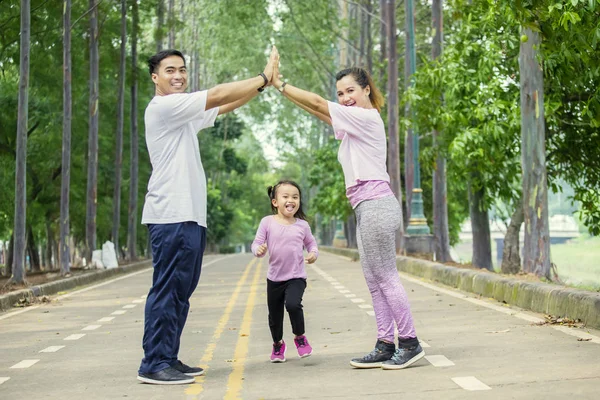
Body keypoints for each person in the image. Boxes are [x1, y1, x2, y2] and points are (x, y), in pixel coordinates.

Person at [137, 46, 279, 385]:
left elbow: (223, 104)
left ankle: (167, 357)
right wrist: (262, 76)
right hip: (171, 214)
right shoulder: (164, 106)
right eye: (170, 70)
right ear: (155, 77)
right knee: (167, 290)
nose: (179, 75)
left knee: (180, 293)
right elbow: (215, 94)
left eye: (182, 69)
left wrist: (261, 87)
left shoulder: (181, 112)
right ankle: (154, 363)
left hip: (188, 216)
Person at [270, 64, 425, 370]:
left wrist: (281, 85)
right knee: (374, 280)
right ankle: (385, 344)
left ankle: (409, 342)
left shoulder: (366, 117)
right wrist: (283, 92)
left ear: (367, 89)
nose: (344, 98)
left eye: (350, 90)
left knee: (386, 276)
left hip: (376, 203)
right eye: (340, 94)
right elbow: (321, 112)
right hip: (365, 207)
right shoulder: (352, 121)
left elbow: (317, 103)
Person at [251, 180, 318, 363]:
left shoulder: (302, 225)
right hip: (274, 278)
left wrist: (313, 253)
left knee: (293, 305)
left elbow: (311, 244)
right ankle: (278, 344)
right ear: (275, 202)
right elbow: (256, 243)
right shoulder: (267, 222)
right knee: (275, 316)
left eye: (295, 197)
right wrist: (258, 250)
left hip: (296, 276)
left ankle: (299, 337)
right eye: (286, 196)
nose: (291, 200)